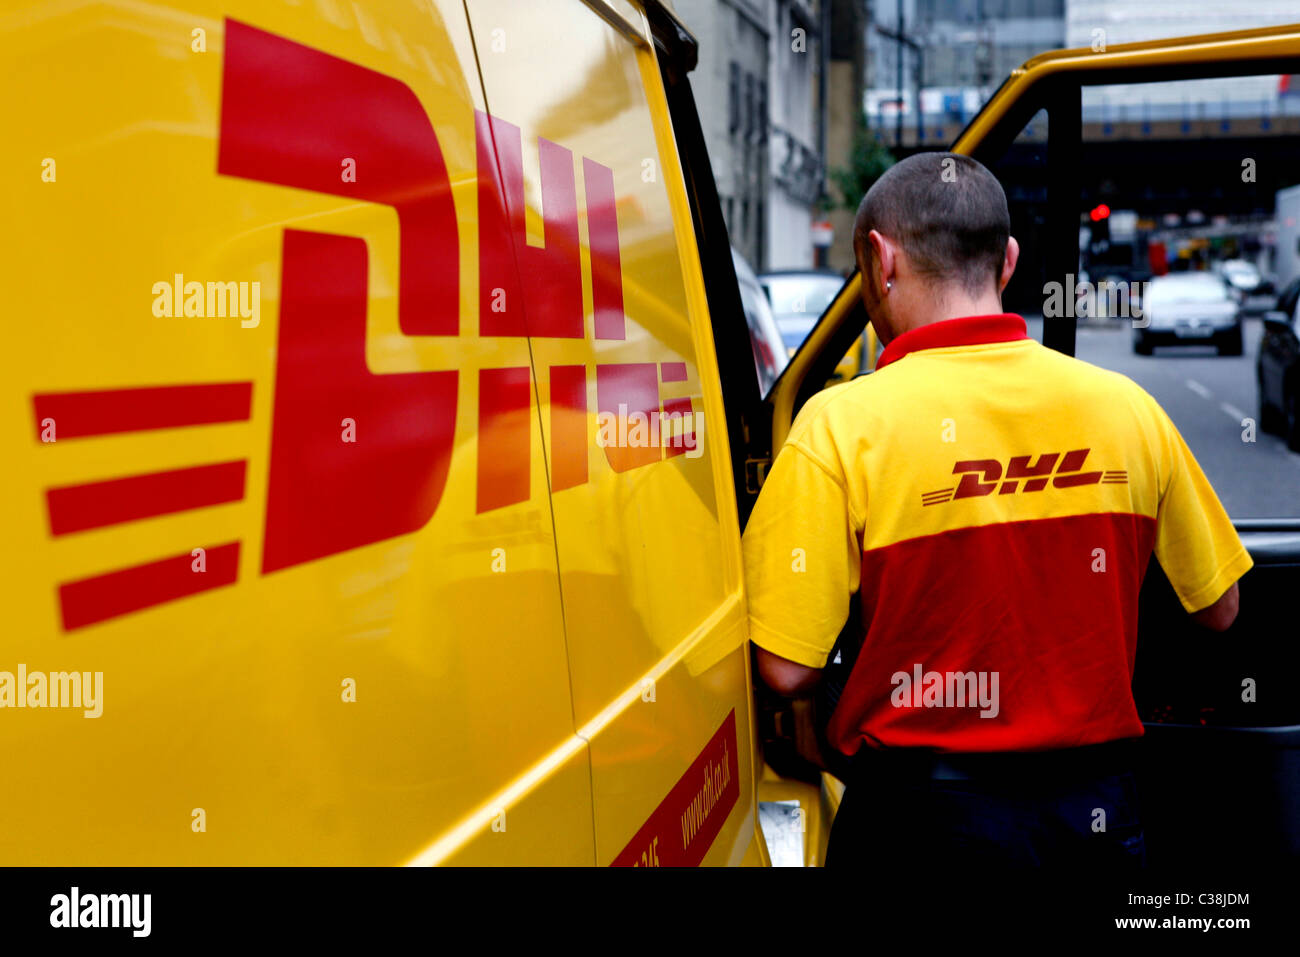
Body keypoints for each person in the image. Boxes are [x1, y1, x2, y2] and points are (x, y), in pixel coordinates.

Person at [740, 152, 1252, 867]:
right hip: (1096, 815)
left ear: (880, 261)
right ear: (1008, 261)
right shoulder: (1127, 408)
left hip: (921, 822)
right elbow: (1220, 607)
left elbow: (786, 670)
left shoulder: (839, 427)